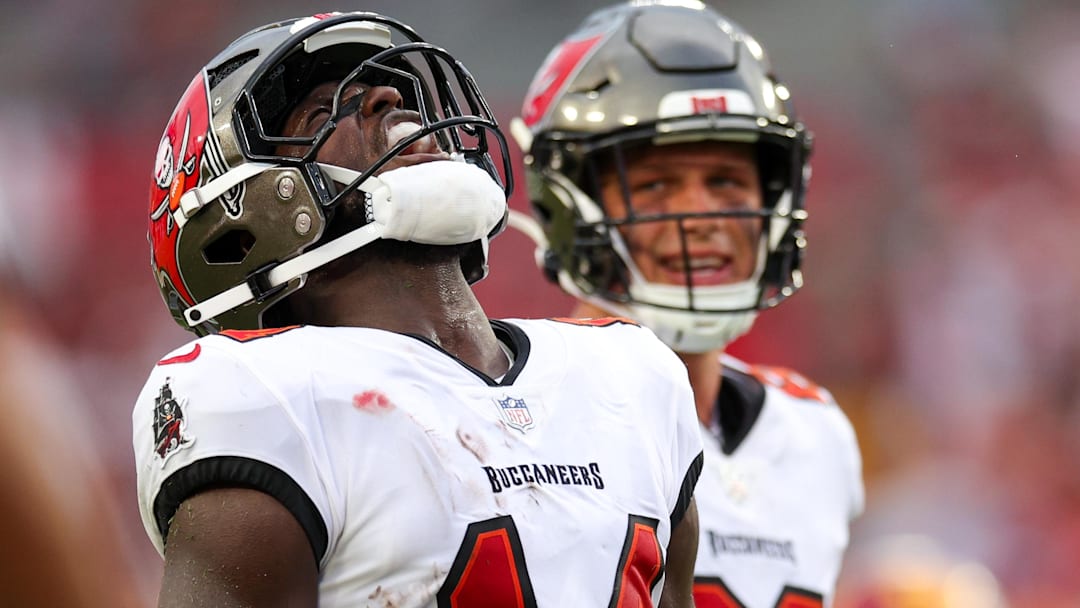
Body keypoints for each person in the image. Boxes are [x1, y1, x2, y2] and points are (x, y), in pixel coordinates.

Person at [133, 11, 703, 607]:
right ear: (245, 217)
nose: (390, 97)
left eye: (390, 90)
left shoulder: (630, 372)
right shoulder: (265, 395)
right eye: (324, 111)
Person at [511, 2, 864, 606]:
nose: (701, 217)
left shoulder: (815, 434)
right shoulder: (519, 421)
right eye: (655, 185)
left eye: (726, 181)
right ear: (568, 206)